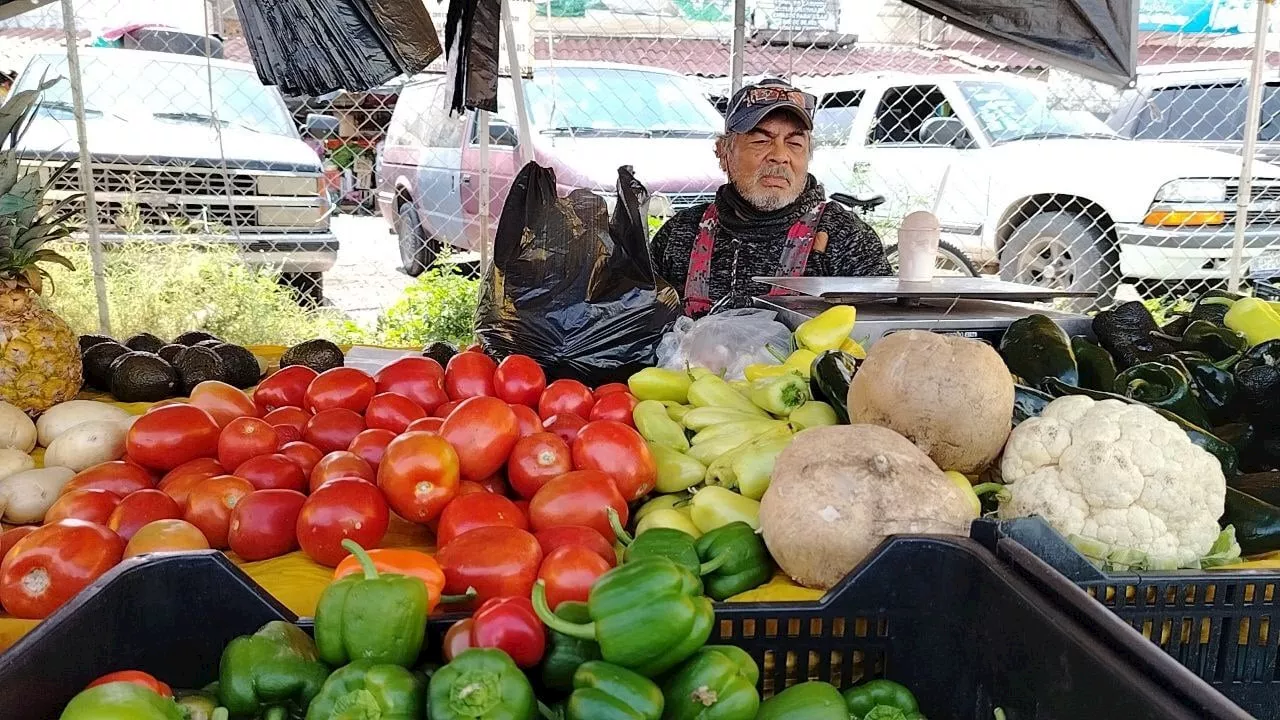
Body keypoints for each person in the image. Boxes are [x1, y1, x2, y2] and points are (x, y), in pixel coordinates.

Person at [651, 78, 891, 316]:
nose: (780, 155)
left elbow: (887, 339)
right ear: (724, 153)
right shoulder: (681, 234)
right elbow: (636, 326)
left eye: (794, 143)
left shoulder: (845, 238)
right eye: (761, 141)